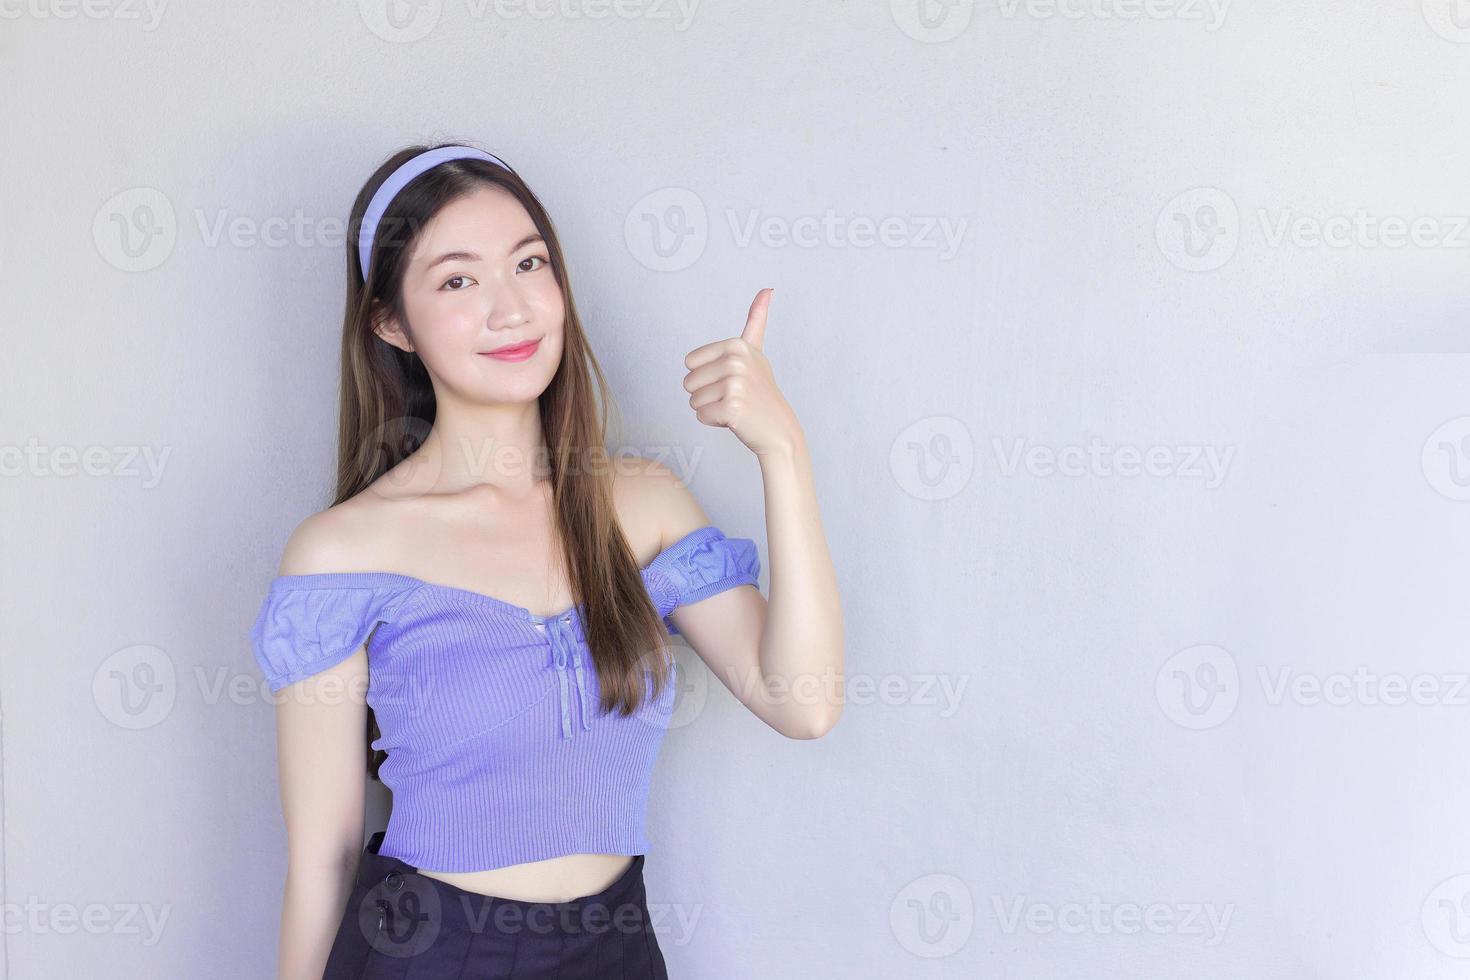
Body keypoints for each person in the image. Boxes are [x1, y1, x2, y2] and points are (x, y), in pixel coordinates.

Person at [248, 143, 845, 979]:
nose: (512, 308)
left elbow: (804, 704)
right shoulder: (343, 551)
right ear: (391, 323)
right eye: (458, 280)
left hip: (616, 949)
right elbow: (324, 857)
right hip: (425, 951)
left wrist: (784, 451)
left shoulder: (645, 504)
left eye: (529, 263)